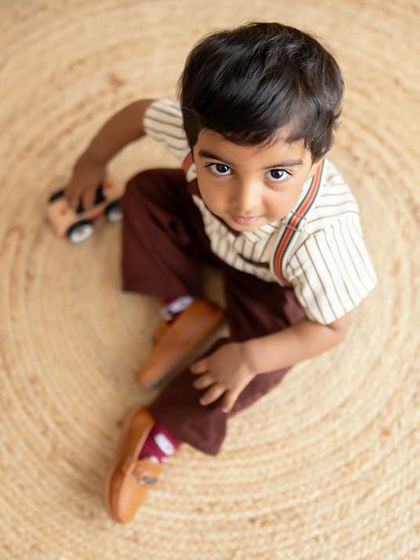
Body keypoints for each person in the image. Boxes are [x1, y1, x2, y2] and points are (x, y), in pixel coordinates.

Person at [65, 22, 377, 523]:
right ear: (195, 145)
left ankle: (161, 428)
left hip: (273, 282)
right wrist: (92, 160)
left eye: (277, 173)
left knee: (256, 365)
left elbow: (334, 327)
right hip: (215, 237)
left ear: (315, 163)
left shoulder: (324, 240)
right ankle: (182, 308)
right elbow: (138, 114)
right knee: (147, 189)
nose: (245, 201)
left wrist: (251, 356)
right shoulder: (201, 140)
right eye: (221, 168)